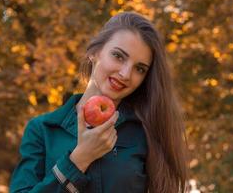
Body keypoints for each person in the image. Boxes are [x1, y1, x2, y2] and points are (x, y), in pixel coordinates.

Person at [10, 12, 189, 193]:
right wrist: (79, 160)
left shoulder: (145, 132)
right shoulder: (42, 130)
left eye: (140, 69)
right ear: (94, 52)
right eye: (118, 56)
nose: (125, 74)